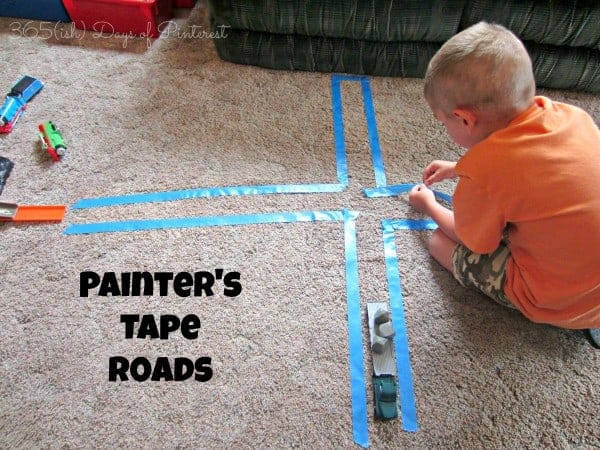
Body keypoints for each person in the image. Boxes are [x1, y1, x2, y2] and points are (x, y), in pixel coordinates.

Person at [407, 22, 600, 345]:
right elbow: (539, 167)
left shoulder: (485, 175)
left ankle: (558, 314)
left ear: (465, 119)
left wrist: (428, 205)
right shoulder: (571, 116)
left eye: (443, 123)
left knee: (440, 242)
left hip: (560, 302)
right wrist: (459, 167)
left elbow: (472, 241)